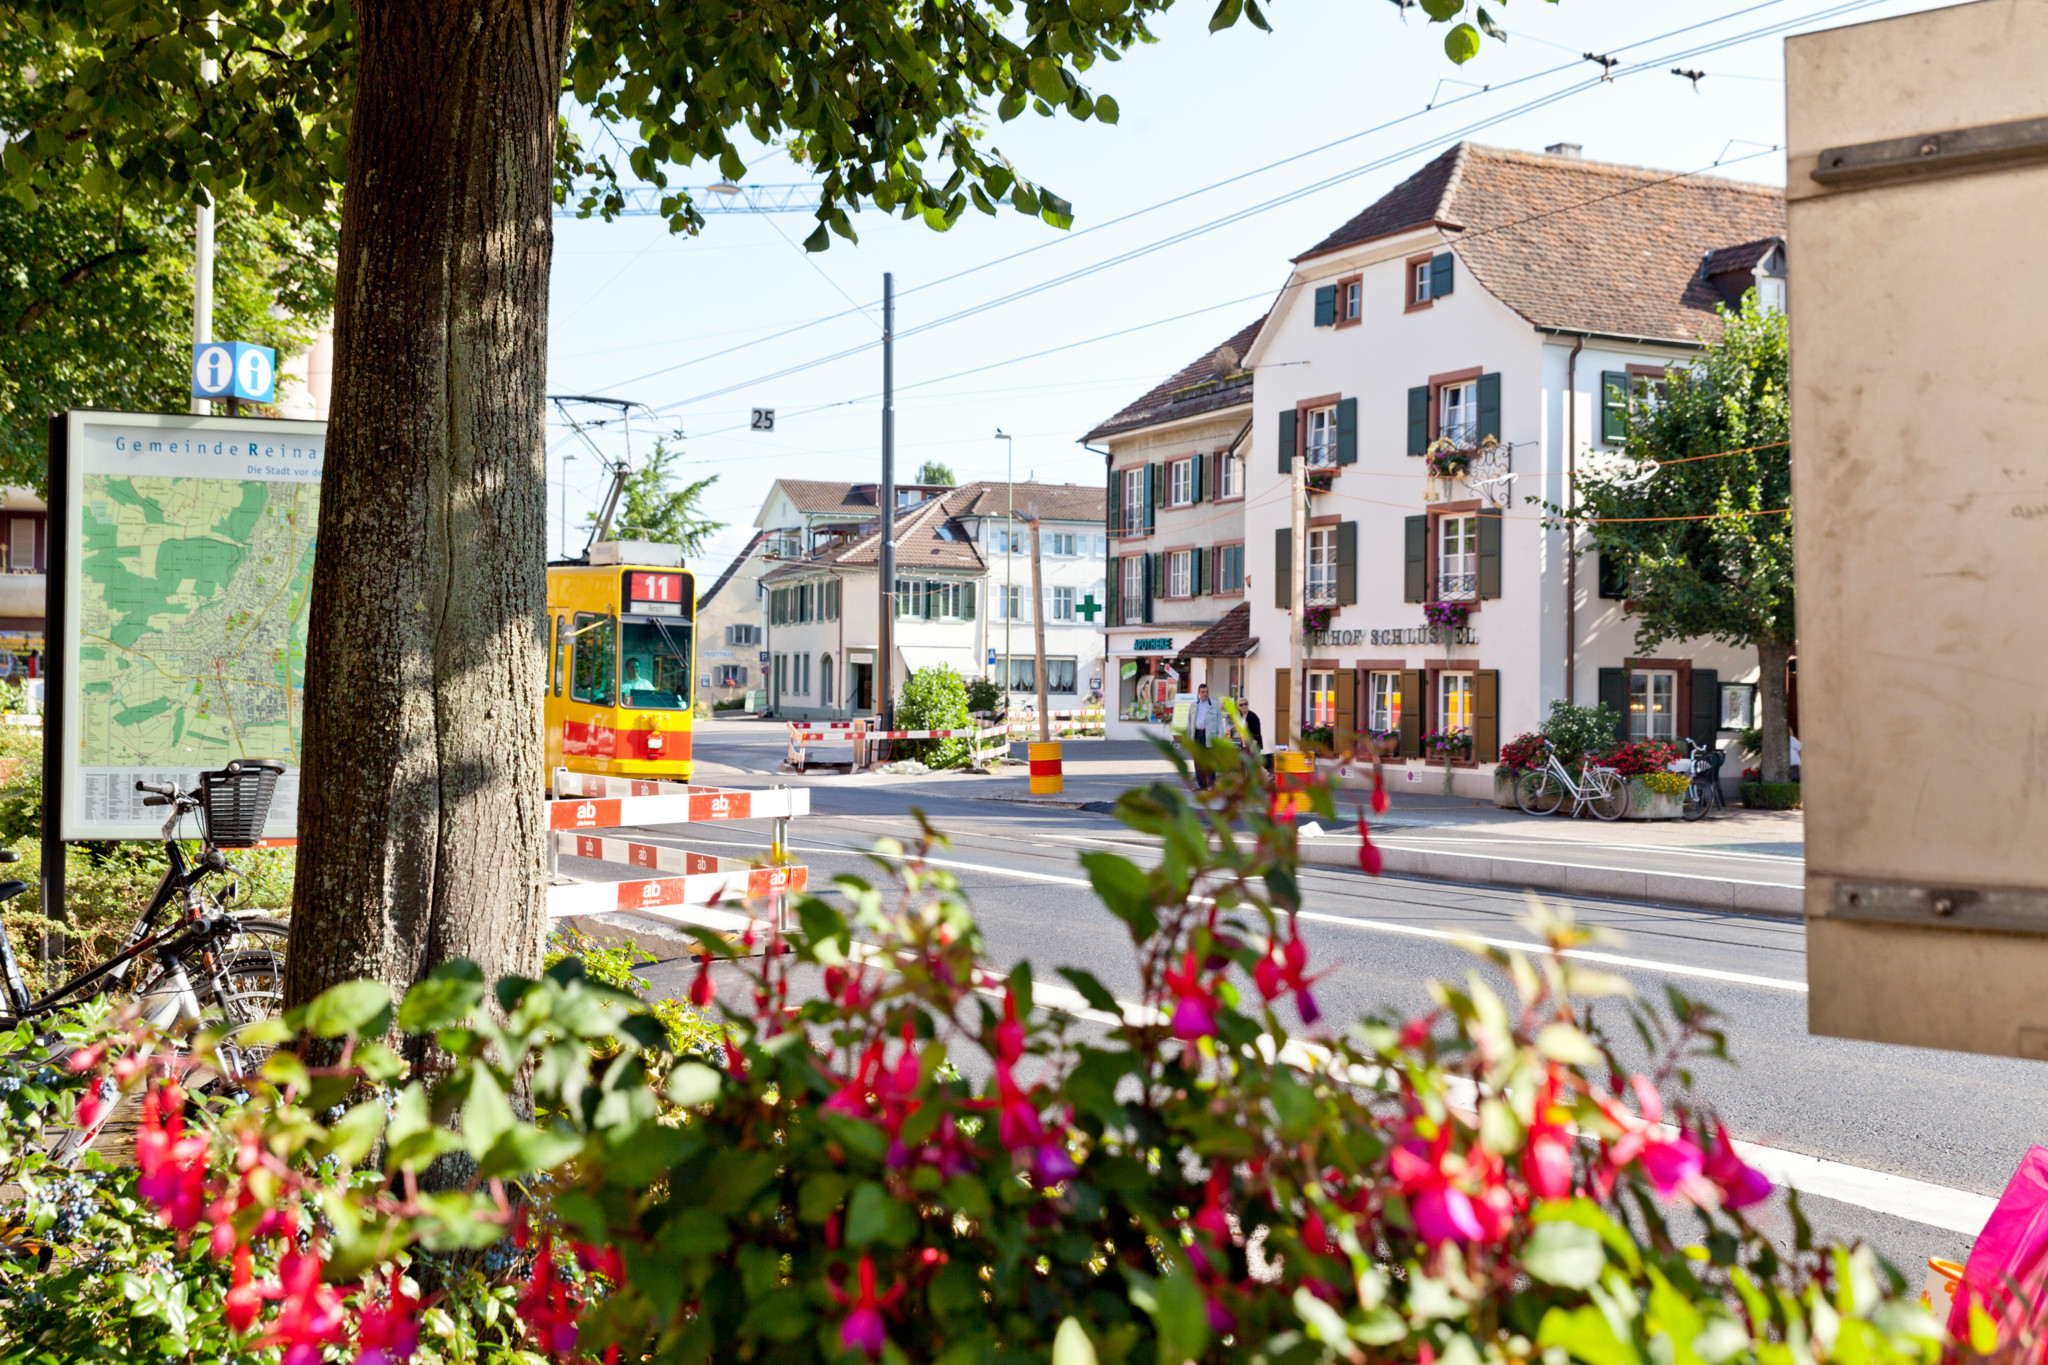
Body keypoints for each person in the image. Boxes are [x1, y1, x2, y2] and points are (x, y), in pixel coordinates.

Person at [1190, 684, 1218, 790]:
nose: (1205, 694)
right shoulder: (1193, 705)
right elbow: (1190, 723)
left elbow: (1219, 724)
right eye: (1202, 692)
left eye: (1206, 692)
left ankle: (1211, 784)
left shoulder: (1214, 705)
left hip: (1209, 735)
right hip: (1197, 735)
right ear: (1198, 693)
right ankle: (1202, 785)